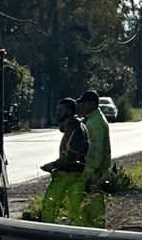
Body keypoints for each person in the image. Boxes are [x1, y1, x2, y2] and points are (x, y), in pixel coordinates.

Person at [35, 99, 88, 223]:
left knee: (50, 204)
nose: (57, 113)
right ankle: (79, 235)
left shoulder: (74, 128)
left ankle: (46, 233)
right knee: (76, 209)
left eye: (60, 110)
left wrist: (52, 165)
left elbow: (70, 156)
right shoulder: (79, 126)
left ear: (69, 111)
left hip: (67, 174)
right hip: (78, 173)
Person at [76, 90, 112, 227]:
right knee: (94, 206)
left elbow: (96, 151)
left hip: (94, 172)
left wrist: (90, 174)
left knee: (93, 208)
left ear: (91, 104)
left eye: (84, 103)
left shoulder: (94, 124)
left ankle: (95, 236)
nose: (82, 107)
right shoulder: (94, 119)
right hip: (97, 171)